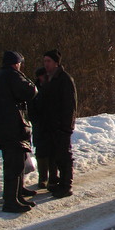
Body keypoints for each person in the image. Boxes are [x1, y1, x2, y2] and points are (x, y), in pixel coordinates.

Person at [0, 51, 38, 213]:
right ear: (16, 63)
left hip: (1, 127)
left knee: (13, 163)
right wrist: (26, 79)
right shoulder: (13, 76)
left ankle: (15, 195)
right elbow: (31, 91)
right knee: (14, 165)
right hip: (13, 128)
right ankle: (11, 201)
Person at [38, 49, 77, 198]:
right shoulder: (48, 79)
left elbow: (70, 104)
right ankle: (60, 183)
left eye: (48, 61)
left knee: (64, 156)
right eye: (44, 61)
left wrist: (67, 126)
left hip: (62, 125)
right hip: (51, 125)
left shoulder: (64, 79)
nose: (46, 64)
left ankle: (67, 186)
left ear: (56, 63)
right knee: (55, 156)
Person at [29, 67, 58, 189]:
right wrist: (36, 121)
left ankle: (53, 178)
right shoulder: (33, 90)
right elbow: (30, 108)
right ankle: (42, 178)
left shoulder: (53, 87)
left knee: (53, 153)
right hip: (40, 126)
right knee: (41, 153)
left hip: (51, 125)